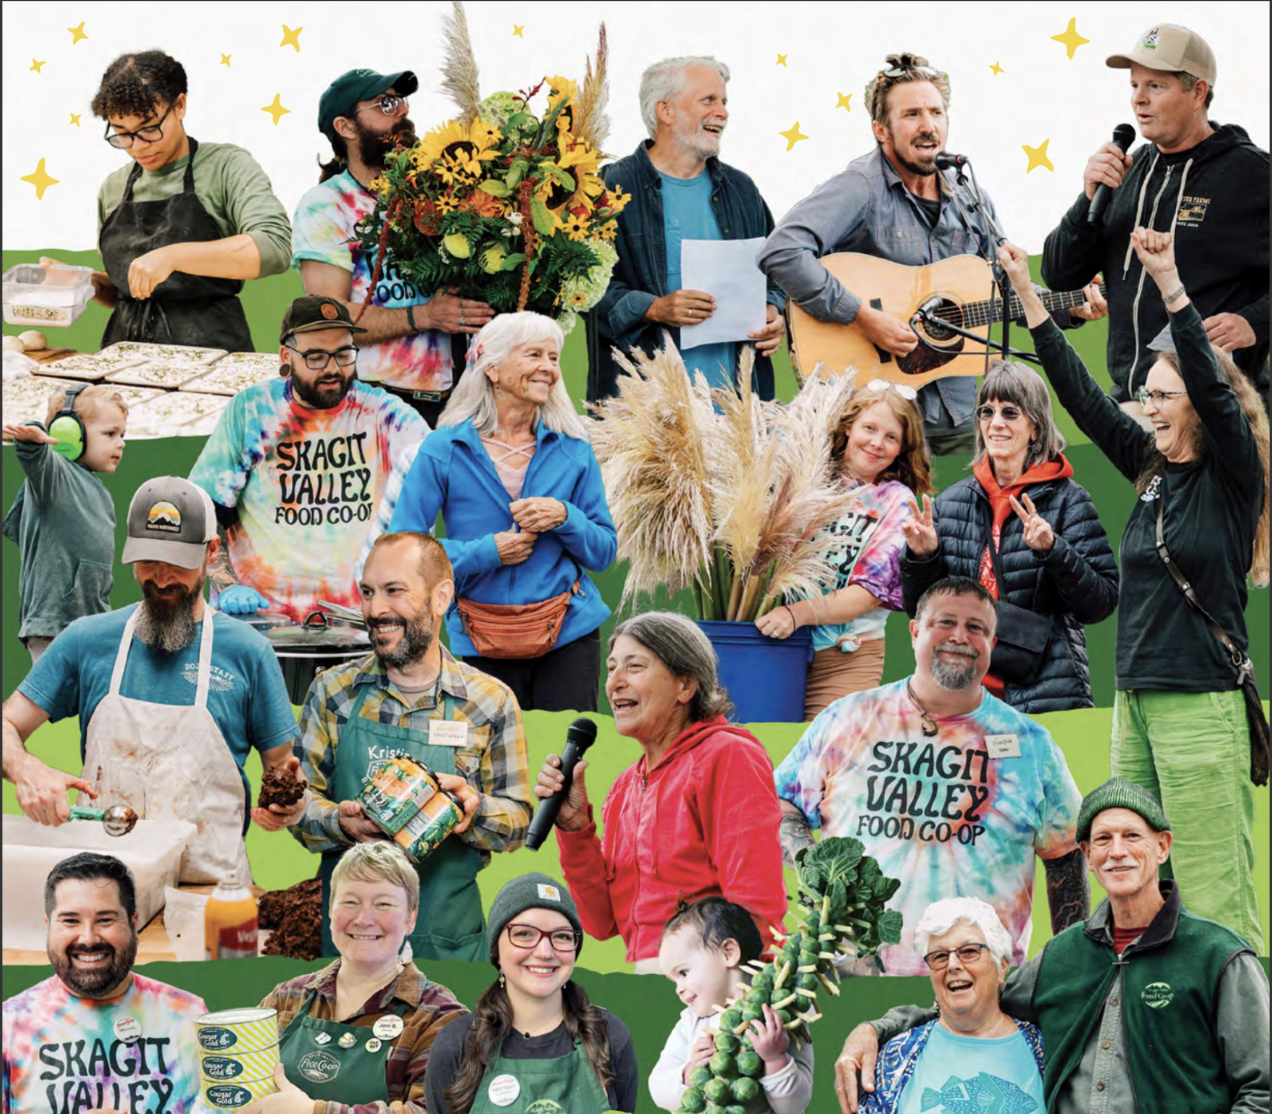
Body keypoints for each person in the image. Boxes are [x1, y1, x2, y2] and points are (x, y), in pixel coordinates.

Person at [1001, 230, 1269, 952]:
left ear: (1199, 402)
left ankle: (1244, 1047)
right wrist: (1027, 296)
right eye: (1145, 394)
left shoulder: (1230, 477)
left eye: (1163, 395)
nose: (1148, 407)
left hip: (1201, 702)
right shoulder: (1151, 470)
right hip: (1137, 702)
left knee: (1213, 890)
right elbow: (1084, 398)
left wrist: (1171, 283)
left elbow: (1213, 389)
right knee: (1138, 887)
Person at [836, 778, 1270, 1114]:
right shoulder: (1063, 956)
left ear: (1162, 846)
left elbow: (1261, 1089)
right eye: (1102, 839)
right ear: (1087, 854)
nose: (1117, 851)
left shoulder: (1219, 956)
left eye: (1131, 836)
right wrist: (877, 1028)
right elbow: (977, 995)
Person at [758, 52, 1094, 456]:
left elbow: (1004, 286)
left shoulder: (968, 195)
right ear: (882, 130)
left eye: (936, 112)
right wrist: (864, 318)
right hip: (876, 417)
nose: (928, 125)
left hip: (956, 412)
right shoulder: (859, 188)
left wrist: (1069, 308)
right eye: (912, 114)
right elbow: (782, 250)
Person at [773, 576, 1087, 977]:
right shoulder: (848, 718)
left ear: (992, 644)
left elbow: (1065, 857)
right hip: (854, 973)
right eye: (945, 622)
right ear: (915, 630)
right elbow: (783, 801)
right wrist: (809, 861)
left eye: (976, 628)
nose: (960, 637)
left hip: (985, 986)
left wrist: (1074, 970)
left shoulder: (1031, 744)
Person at [1, 477, 305, 883]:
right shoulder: (86, 640)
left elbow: (283, 769)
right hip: (104, 892)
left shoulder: (248, 652)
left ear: (212, 552)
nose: (160, 579)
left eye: (177, 563)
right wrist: (27, 769)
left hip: (213, 892)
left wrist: (288, 804)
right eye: (148, 561)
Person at [290, 531, 533, 963]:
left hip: (446, 946)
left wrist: (474, 810)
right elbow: (296, 807)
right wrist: (340, 824)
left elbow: (518, 823)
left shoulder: (489, 703)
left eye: (393, 591)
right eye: (367, 592)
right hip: (350, 948)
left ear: (441, 598)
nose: (375, 609)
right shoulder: (333, 692)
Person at [389, 312, 616, 713]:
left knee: (561, 765)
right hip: (475, 637)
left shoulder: (575, 449)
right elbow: (401, 551)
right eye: (534, 355)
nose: (548, 368)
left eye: (553, 357)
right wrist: (487, 552)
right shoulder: (443, 449)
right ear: (491, 368)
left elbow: (603, 552)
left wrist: (565, 516)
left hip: (568, 636)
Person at [538, 611, 789, 972]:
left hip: (716, 981)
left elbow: (756, 905)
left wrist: (734, 1000)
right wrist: (575, 829)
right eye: (610, 668)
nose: (614, 682)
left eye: (634, 666)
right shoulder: (625, 786)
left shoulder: (728, 755)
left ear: (686, 686)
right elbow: (601, 923)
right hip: (654, 978)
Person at [1041, 23, 1269, 416]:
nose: (1139, 100)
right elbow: (1058, 274)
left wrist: (1254, 322)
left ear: (1197, 92)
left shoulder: (1252, 175)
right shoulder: (1124, 172)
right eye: (1134, 86)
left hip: (1217, 412)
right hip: (1134, 407)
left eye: (1155, 87)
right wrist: (1088, 198)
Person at [189, 294, 427, 623]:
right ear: (286, 356)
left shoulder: (383, 413)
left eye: (344, 354)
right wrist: (227, 585)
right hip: (261, 623)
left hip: (357, 624)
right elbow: (204, 510)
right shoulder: (253, 410)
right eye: (316, 356)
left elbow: (437, 462)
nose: (332, 368)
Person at [899, 361, 1119, 713]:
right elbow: (919, 609)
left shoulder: (1068, 499)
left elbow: (1101, 602)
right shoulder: (951, 501)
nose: (996, 423)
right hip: (962, 696)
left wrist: (1053, 550)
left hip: (1045, 694)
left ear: (1035, 427)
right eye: (987, 411)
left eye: (1010, 412)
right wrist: (923, 558)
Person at [45, 51, 291, 351]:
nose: (137, 147)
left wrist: (172, 256)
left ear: (179, 106)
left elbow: (274, 247)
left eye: (149, 128)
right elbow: (127, 289)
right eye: (122, 134)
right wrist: (87, 283)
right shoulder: (114, 187)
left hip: (212, 358)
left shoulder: (226, 166)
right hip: (125, 359)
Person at [294, 68, 493, 427]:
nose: (401, 111)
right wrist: (426, 315)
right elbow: (328, 318)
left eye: (401, 101)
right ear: (346, 127)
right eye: (385, 104)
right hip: (371, 407)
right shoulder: (325, 205)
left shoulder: (433, 193)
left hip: (453, 406)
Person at [585, 55, 787, 403]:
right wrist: (653, 308)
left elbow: (778, 269)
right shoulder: (610, 188)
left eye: (724, 102)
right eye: (708, 100)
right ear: (665, 111)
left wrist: (772, 308)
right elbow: (585, 289)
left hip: (737, 411)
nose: (722, 112)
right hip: (645, 417)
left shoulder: (742, 189)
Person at [754, 380, 933, 719]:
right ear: (849, 427)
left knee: (829, 762)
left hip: (844, 655)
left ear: (901, 449)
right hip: (776, 644)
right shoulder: (810, 478)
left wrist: (796, 615)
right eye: (869, 428)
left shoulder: (897, 502)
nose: (877, 443)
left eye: (891, 437)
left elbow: (866, 595)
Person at [249, 842, 468, 1114]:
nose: (364, 919)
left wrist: (314, 1112)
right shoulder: (287, 998)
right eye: (350, 902)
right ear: (330, 910)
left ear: (411, 919)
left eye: (383, 904)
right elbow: (244, 1082)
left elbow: (433, 1111)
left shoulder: (439, 1017)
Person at [2, 854, 208, 1114]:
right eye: (70, 920)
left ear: (133, 925)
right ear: (48, 927)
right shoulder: (9, 1026)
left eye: (105, 919)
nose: (88, 938)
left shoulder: (188, 1015)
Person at [424, 872, 640, 1114]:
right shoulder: (455, 1044)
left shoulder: (609, 1035)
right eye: (524, 934)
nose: (545, 951)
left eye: (561, 936)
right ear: (496, 948)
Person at [858, 897, 1044, 1114]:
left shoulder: (1047, 1051)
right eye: (939, 956)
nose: (953, 965)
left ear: (1002, 966)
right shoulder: (893, 1059)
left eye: (969, 952)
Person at [651, 897, 814, 1114]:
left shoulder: (779, 1014)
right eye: (674, 981)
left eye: (683, 973)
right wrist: (689, 1072)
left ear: (728, 953)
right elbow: (657, 1087)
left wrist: (775, 1059)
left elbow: (795, 1104)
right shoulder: (689, 1023)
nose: (679, 989)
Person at [3, 385, 128, 664]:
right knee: (53, 704)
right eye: (110, 434)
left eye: (122, 434)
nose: (120, 442)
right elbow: (34, 454)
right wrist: (32, 436)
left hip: (90, 622)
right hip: (54, 625)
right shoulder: (55, 474)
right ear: (68, 433)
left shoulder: (98, 490)